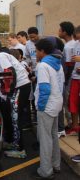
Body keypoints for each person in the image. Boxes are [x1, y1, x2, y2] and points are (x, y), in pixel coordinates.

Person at [0, 39, 31, 158]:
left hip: (20, 86)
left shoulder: (0, 55)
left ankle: (21, 150)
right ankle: (14, 143)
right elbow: (3, 74)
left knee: (16, 118)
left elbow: (10, 73)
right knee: (13, 117)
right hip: (20, 86)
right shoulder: (3, 55)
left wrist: (10, 91)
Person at [33, 38, 64, 179]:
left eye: (36, 50)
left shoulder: (43, 65)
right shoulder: (57, 64)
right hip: (56, 103)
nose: (35, 53)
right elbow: (60, 83)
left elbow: (44, 88)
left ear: (42, 51)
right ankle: (56, 165)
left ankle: (45, 170)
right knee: (53, 137)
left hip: (47, 106)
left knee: (45, 140)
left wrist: (40, 107)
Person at [58, 21, 77, 135]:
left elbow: (70, 65)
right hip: (72, 77)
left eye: (60, 30)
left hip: (70, 78)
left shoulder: (69, 46)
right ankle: (71, 124)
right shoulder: (72, 44)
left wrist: (65, 80)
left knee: (68, 101)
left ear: (64, 32)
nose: (58, 32)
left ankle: (71, 124)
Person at [67, 25, 80, 135]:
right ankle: (75, 126)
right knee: (73, 101)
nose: (76, 37)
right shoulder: (75, 45)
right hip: (75, 77)